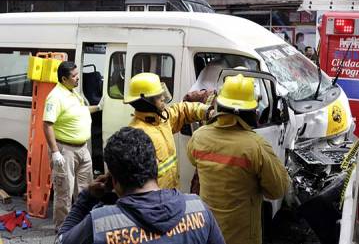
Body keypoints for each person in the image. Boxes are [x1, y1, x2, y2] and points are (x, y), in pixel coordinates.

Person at [56, 127, 226, 244]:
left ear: (113, 180)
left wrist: (87, 197)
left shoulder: (100, 223)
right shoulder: (198, 209)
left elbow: (62, 239)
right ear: (156, 166)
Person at [187, 73, 290, 244]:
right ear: (251, 110)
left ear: (220, 104)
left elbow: (193, 160)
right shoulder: (256, 146)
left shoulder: (199, 137)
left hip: (208, 232)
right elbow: (278, 190)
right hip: (242, 237)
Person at [125, 72, 213, 189]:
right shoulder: (137, 135)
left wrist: (207, 111)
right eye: (158, 96)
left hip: (170, 194)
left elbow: (183, 110)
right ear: (146, 102)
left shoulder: (161, 119)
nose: (163, 98)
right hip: (155, 201)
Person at [43, 61, 103, 231]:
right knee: (64, 192)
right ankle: (62, 230)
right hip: (65, 150)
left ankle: (83, 224)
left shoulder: (72, 92)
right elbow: (47, 124)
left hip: (82, 149)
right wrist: (55, 152)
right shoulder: (55, 96)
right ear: (64, 78)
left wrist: (97, 107)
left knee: (86, 188)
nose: (78, 79)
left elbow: (80, 112)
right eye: (75, 76)